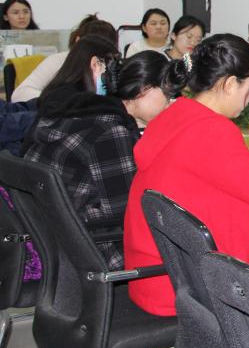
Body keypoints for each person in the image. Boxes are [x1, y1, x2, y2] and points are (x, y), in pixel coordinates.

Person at [123, 34, 249, 316]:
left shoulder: (177, 115)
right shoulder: (211, 130)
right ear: (229, 84)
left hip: (157, 275)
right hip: (184, 288)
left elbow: (236, 168)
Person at [22, 42, 179, 269]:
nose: (170, 103)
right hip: (91, 251)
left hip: (49, 240)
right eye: (168, 94)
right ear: (143, 89)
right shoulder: (111, 132)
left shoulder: (78, 113)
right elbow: (127, 212)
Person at [11, 14, 117, 102]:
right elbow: (20, 94)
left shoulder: (112, 65)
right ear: (78, 41)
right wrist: (62, 101)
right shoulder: (57, 61)